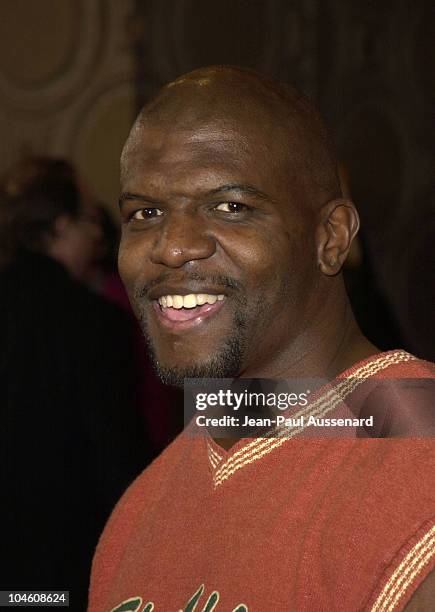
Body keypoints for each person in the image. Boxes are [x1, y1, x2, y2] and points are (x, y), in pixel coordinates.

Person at [88, 67, 435, 611]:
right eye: (145, 213)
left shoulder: (417, 470)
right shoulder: (137, 514)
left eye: (231, 207)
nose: (173, 246)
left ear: (331, 237)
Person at [0, 158, 148, 610]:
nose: (99, 235)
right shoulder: (95, 323)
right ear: (60, 227)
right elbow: (115, 458)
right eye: (89, 219)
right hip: (65, 563)